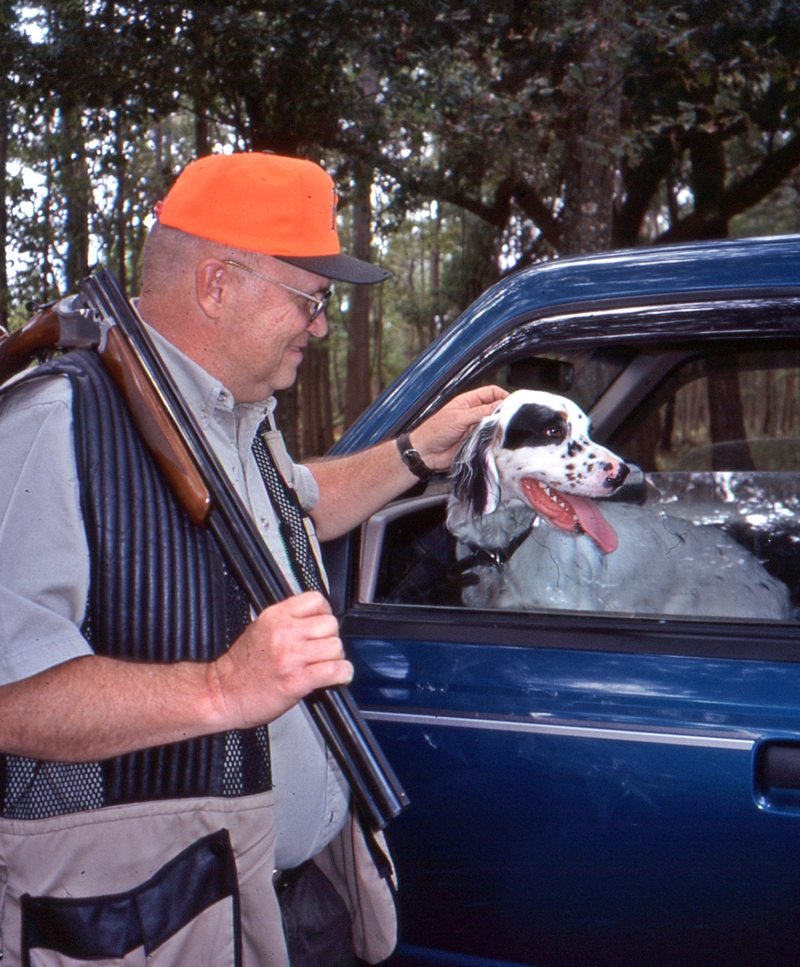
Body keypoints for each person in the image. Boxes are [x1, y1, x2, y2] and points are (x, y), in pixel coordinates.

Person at [0, 152, 505, 966]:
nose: (322, 325)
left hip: (297, 893)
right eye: (309, 299)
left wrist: (417, 450)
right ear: (216, 285)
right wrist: (219, 688)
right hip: (162, 917)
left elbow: (301, 501)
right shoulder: (52, 423)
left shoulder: (242, 417)